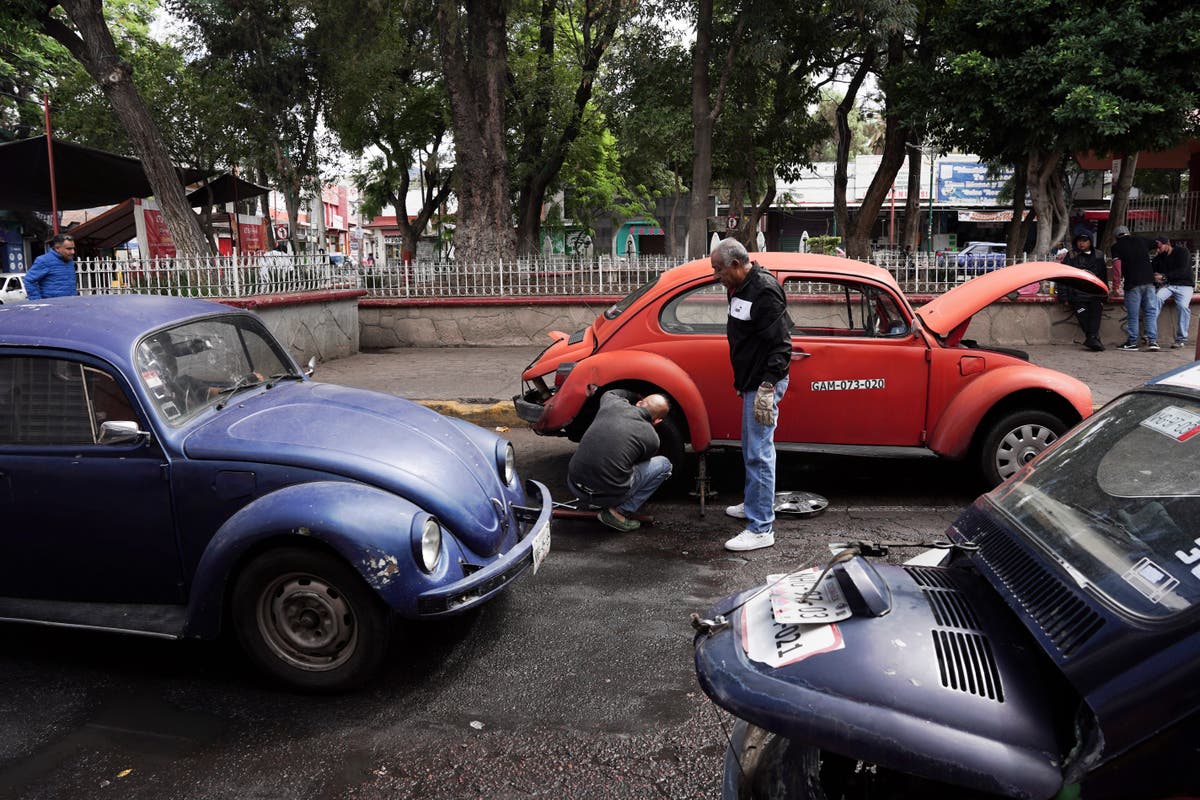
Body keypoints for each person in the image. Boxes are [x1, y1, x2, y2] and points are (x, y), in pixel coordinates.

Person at [711, 237, 791, 552]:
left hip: (763, 384)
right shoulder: (739, 287)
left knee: (759, 453)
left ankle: (761, 527)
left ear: (735, 264)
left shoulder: (764, 291)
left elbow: (782, 346)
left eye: (718, 269)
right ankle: (753, 503)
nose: (716, 276)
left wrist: (767, 389)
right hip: (750, 382)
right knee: (751, 449)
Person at [567, 388, 673, 532]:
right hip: (609, 497)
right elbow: (639, 462)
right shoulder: (652, 438)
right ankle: (618, 513)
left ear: (639, 403)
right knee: (664, 464)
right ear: (658, 420)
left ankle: (592, 500)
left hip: (574, 486)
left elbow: (610, 392)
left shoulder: (613, 404)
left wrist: (634, 394)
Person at [1110, 225, 1159, 351]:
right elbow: (1157, 243)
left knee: (1133, 314)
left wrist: (1116, 287)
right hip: (1149, 282)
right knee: (1150, 312)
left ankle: (1132, 342)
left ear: (1116, 237)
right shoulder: (1141, 240)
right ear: (1128, 233)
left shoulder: (1116, 247)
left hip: (1133, 284)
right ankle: (1153, 341)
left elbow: (1117, 267)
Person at [1060, 228, 1108, 352]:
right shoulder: (1071, 256)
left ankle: (1092, 339)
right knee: (1084, 317)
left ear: (1090, 241)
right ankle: (1093, 339)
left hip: (1095, 294)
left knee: (1095, 317)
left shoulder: (1098, 255)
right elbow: (1064, 276)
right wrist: (1064, 296)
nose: (1081, 243)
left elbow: (1103, 276)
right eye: (1079, 241)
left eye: (1085, 240)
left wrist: (1104, 295)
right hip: (1077, 295)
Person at [1152, 236, 1193, 348]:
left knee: (1183, 307)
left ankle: (1181, 339)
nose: (1158, 249)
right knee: (1156, 299)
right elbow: (1153, 268)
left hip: (1185, 285)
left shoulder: (1182, 251)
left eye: (1159, 247)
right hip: (1169, 285)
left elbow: (1183, 271)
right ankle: (1151, 336)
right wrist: (1157, 257)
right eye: (1156, 247)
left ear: (1167, 244)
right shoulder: (1160, 257)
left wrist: (1164, 276)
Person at [25, 233, 77, 300]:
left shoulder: (70, 261)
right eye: (69, 249)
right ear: (57, 248)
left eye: (73, 248)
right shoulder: (44, 260)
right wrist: (37, 301)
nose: (73, 252)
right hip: (52, 307)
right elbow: (29, 280)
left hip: (70, 304)